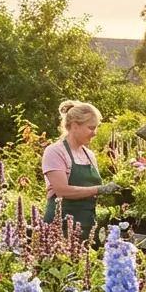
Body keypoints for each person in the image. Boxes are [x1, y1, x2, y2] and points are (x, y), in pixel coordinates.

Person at [42, 100, 121, 240]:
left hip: (87, 226)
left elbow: (89, 192)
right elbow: (62, 191)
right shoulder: (55, 151)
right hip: (60, 227)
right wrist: (100, 189)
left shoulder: (89, 155)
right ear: (74, 126)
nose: (95, 133)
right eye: (91, 128)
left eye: (96, 128)